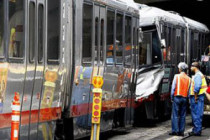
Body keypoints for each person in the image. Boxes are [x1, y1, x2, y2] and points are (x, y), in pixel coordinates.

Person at [169, 62, 191, 136]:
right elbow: (189, 91)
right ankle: (181, 131)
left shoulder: (177, 76)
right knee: (182, 115)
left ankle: (175, 130)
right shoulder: (189, 78)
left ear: (180, 69)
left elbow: (173, 88)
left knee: (175, 114)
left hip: (177, 97)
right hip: (184, 98)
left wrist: (171, 97)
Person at [189, 62, 207, 136]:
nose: (190, 68)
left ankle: (197, 131)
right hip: (199, 97)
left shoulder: (198, 75)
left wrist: (195, 97)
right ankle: (196, 129)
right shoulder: (199, 74)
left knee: (196, 114)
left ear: (195, 67)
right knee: (197, 114)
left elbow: (197, 87)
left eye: (191, 66)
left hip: (197, 97)